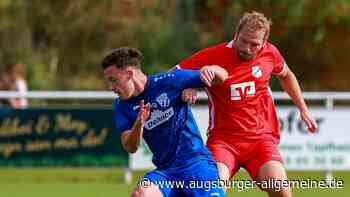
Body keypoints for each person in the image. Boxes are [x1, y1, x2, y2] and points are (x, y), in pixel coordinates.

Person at [176, 11, 318, 196]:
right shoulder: (213, 55)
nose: (247, 48)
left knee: (282, 190)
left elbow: (287, 75)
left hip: (260, 140)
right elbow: (172, 75)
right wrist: (190, 81)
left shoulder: (270, 54)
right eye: (243, 41)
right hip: (224, 141)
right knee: (211, 191)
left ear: (264, 43)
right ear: (236, 35)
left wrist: (303, 109)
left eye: (254, 44)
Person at [102, 47, 228, 197]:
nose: (111, 87)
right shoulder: (121, 106)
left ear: (129, 74)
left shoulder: (169, 81)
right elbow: (130, 147)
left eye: (113, 80)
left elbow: (222, 75)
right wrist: (139, 123)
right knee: (141, 194)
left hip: (195, 163)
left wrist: (208, 70)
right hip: (166, 172)